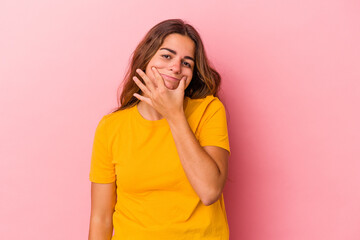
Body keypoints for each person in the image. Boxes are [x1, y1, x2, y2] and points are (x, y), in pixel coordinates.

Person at [88, 19, 231, 240]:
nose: (175, 67)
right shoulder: (111, 127)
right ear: (146, 58)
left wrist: (174, 115)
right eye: (167, 56)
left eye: (187, 63)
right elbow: (101, 218)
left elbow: (209, 191)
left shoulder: (209, 111)